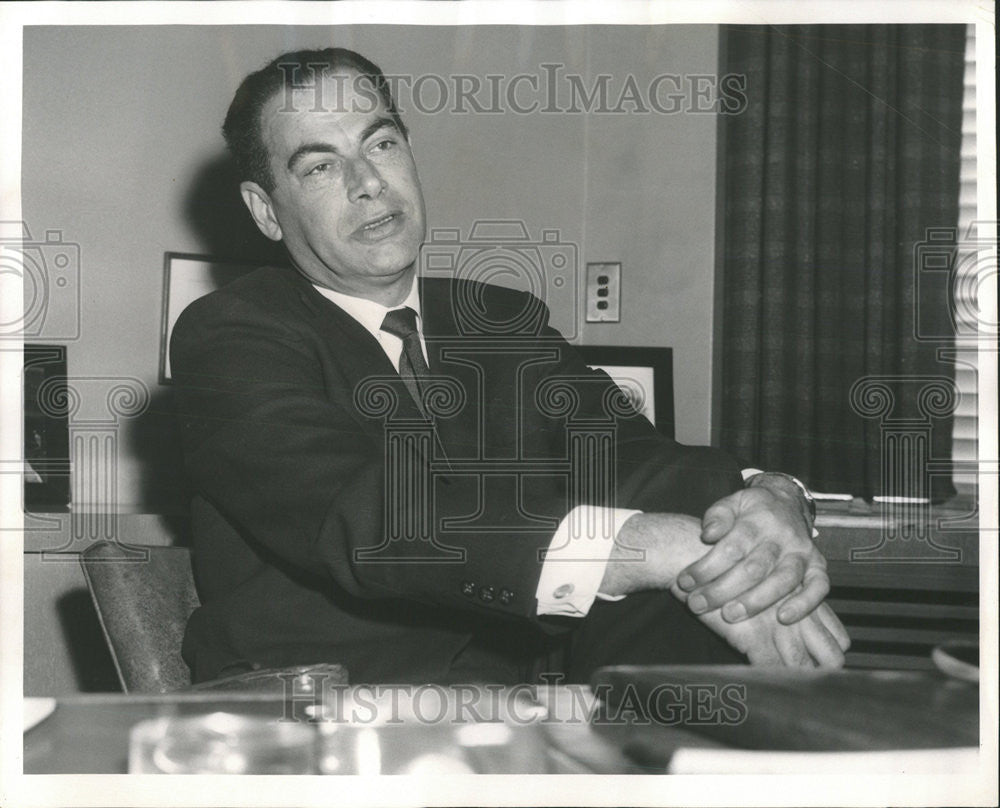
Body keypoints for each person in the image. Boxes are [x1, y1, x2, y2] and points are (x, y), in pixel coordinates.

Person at [171, 47, 849, 685]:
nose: (369, 184)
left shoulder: (498, 319)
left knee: (693, 523)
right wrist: (655, 550)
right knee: (672, 561)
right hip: (314, 706)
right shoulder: (230, 336)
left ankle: (672, 758)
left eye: (381, 143)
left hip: (510, 710)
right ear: (266, 211)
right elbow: (375, 520)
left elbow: (632, 453)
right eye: (320, 166)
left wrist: (768, 498)